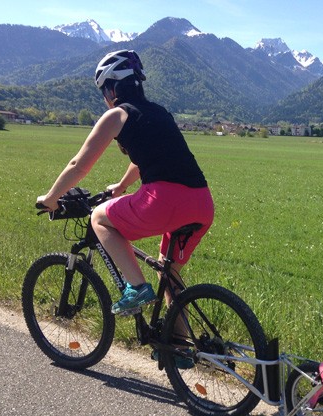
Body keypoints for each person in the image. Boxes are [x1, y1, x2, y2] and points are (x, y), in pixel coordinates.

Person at [37, 50, 214, 314]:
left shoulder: (117, 115)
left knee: (98, 218)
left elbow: (79, 165)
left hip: (164, 201)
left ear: (110, 89)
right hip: (201, 203)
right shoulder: (160, 112)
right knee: (170, 277)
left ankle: (136, 286)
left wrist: (51, 199)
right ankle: (180, 350)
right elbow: (144, 159)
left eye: (103, 92)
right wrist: (120, 187)